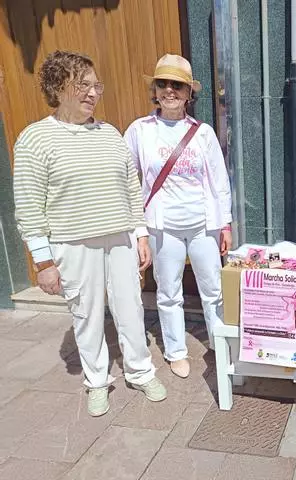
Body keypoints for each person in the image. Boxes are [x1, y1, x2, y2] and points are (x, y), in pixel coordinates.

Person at [13, 50, 167, 417]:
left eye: (96, 85)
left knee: (131, 309)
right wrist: (44, 263)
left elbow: (131, 187)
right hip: (72, 243)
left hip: (120, 239)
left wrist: (140, 233)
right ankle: (97, 380)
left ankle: (141, 371)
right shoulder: (35, 139)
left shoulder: (110, 134)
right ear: (58, 87)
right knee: (87, 315)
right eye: (83, 85)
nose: (93, 93)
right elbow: (29, 207)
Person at [124, 54, 232, 379]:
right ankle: (175, 351)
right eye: (163, 84)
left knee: (213, 289)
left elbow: (219, 180)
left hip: (202, 224)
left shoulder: (202, 133)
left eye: (178, 85)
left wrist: (225, 223)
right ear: (155, 91)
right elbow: (128, 181)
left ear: (188, 94)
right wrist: (139, 232)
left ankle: (219, 343)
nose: (169, 90)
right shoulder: (140, 131)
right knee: (169, 292)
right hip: (163, 227)